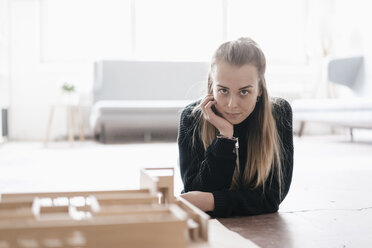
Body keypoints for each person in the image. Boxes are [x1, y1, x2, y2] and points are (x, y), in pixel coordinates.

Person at [177, 37, 293, 217]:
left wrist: (212, 201)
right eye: (223, 90)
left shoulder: (278, 114)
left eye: (244, 92)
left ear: (260, 89)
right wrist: (225, 137)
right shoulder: (192, 118)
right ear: (211, 86)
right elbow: (195, 191)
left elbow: (271, 198)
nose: (232, 105)